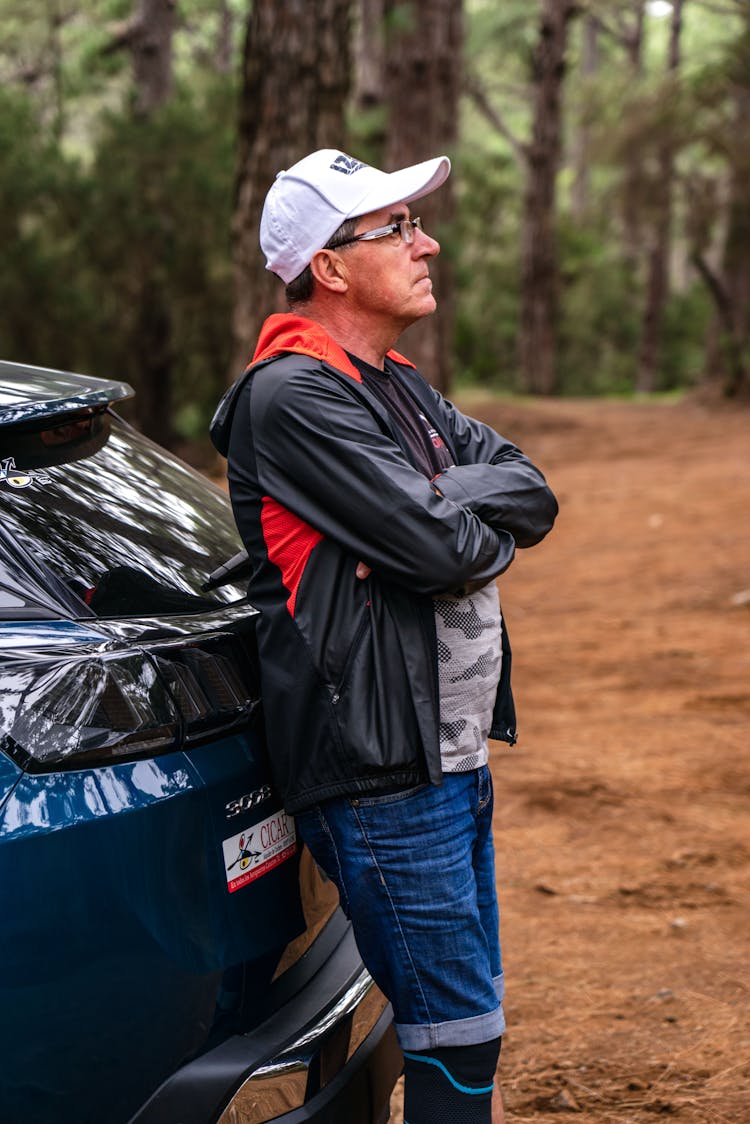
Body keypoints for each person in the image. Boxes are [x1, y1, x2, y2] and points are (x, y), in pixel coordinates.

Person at [211, 148, 558, 1124]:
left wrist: (441, 506)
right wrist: (444, 513)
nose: (426, 240)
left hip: (443, 745)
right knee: (455, 1028)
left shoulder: (392, 383)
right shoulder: (292, 398)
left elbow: (529, 490)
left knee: (462, 1021)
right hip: (380, 766)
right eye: (396, 228)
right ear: (329, 266)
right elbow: (451, 547)